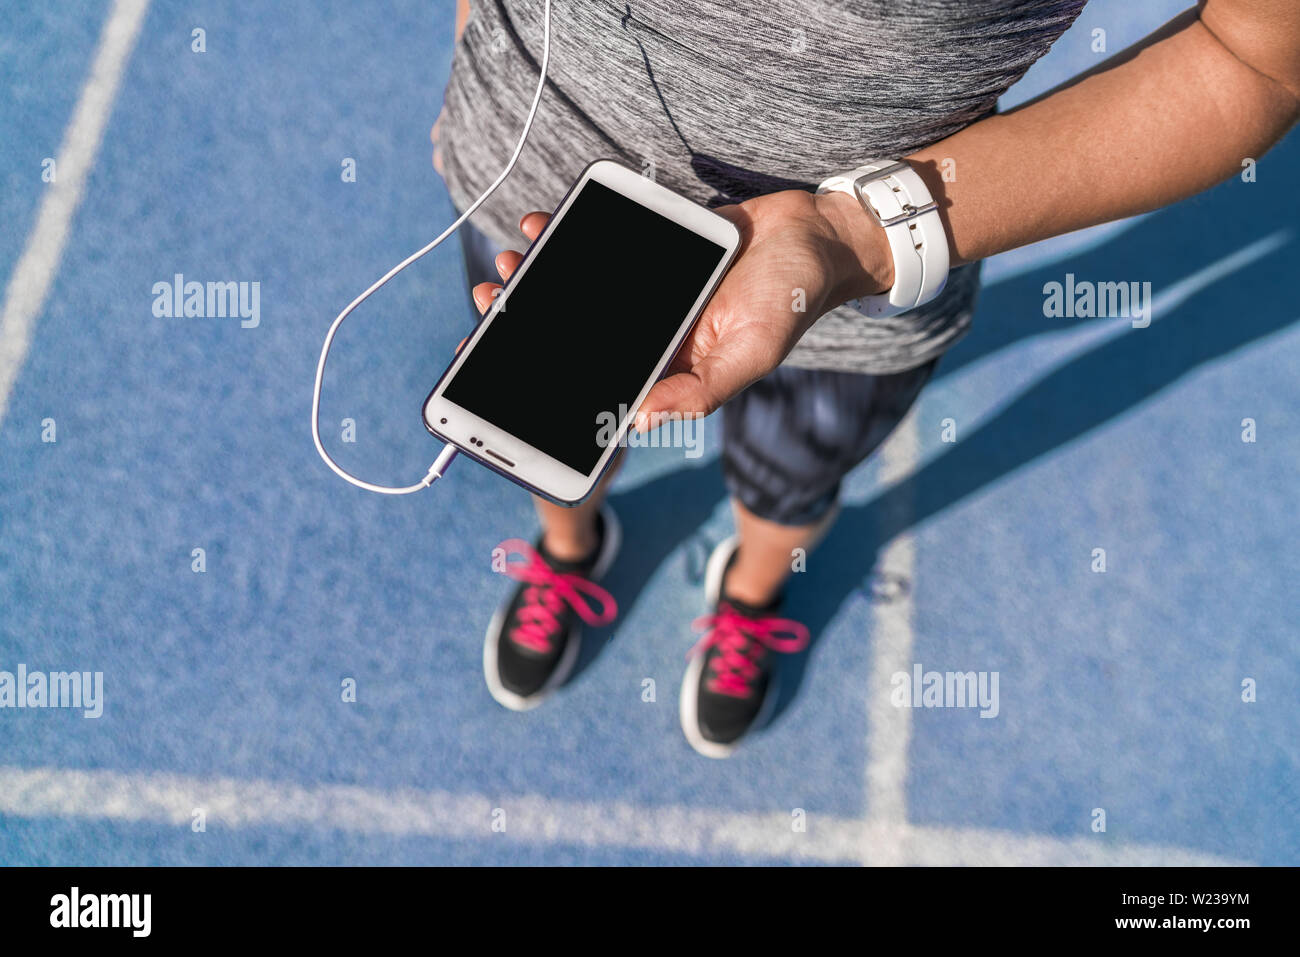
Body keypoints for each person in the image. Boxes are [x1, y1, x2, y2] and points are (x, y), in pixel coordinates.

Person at [432, 0, 1299, 757]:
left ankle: (750, 592)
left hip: (861, 289)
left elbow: (1250, 57)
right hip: (535, 188)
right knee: (539, 429)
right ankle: (572, 548)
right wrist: (482, 55)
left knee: (792, 477)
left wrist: (859, 240)